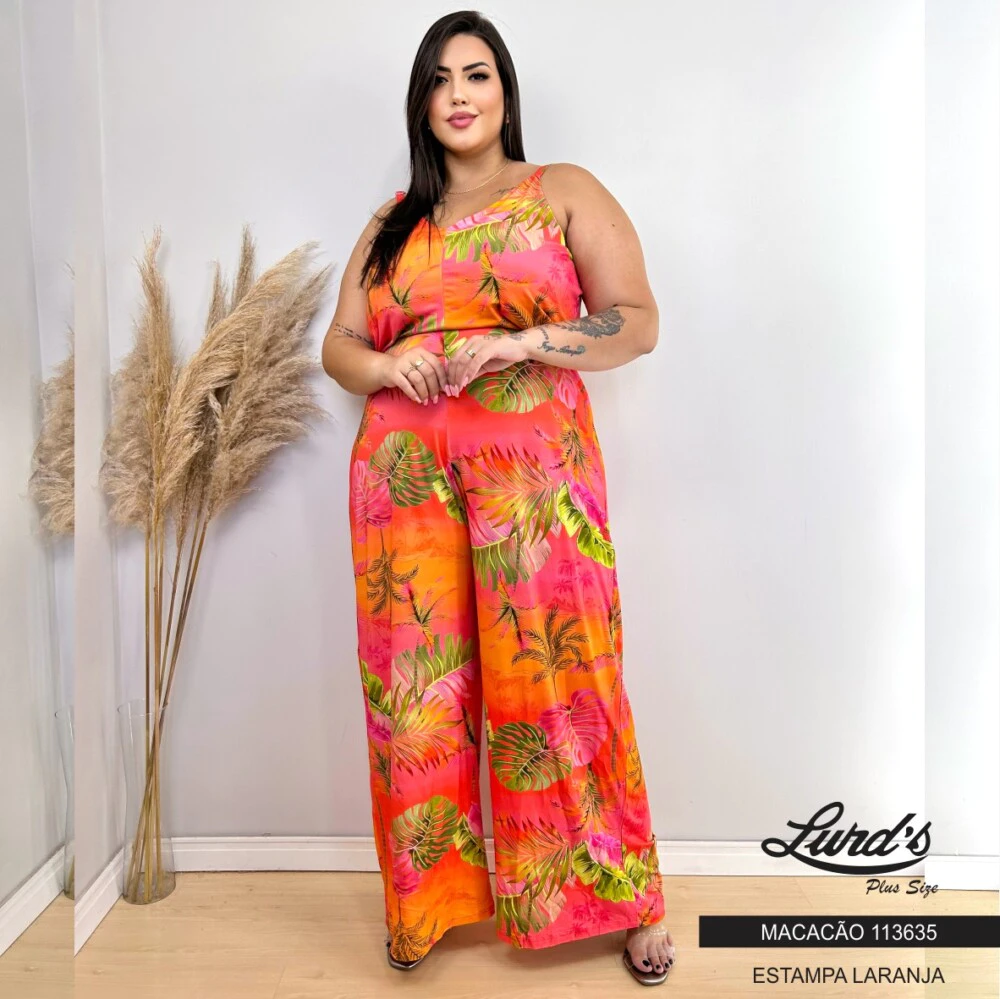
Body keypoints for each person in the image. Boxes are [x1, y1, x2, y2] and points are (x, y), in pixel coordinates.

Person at [321, 10, 676, 987]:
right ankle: (427, 905)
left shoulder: (560, 190)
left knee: (563, 681)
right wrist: (385, 362)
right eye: (439, 80)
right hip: (402, 481)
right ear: (421, 102)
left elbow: (637, 321)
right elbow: (338, 346)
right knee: (417, 695)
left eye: (476, 74)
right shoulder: (392, 221)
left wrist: (520, 342)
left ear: (505, 92)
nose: (459, 94)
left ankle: (626, 898)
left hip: (535, 485)